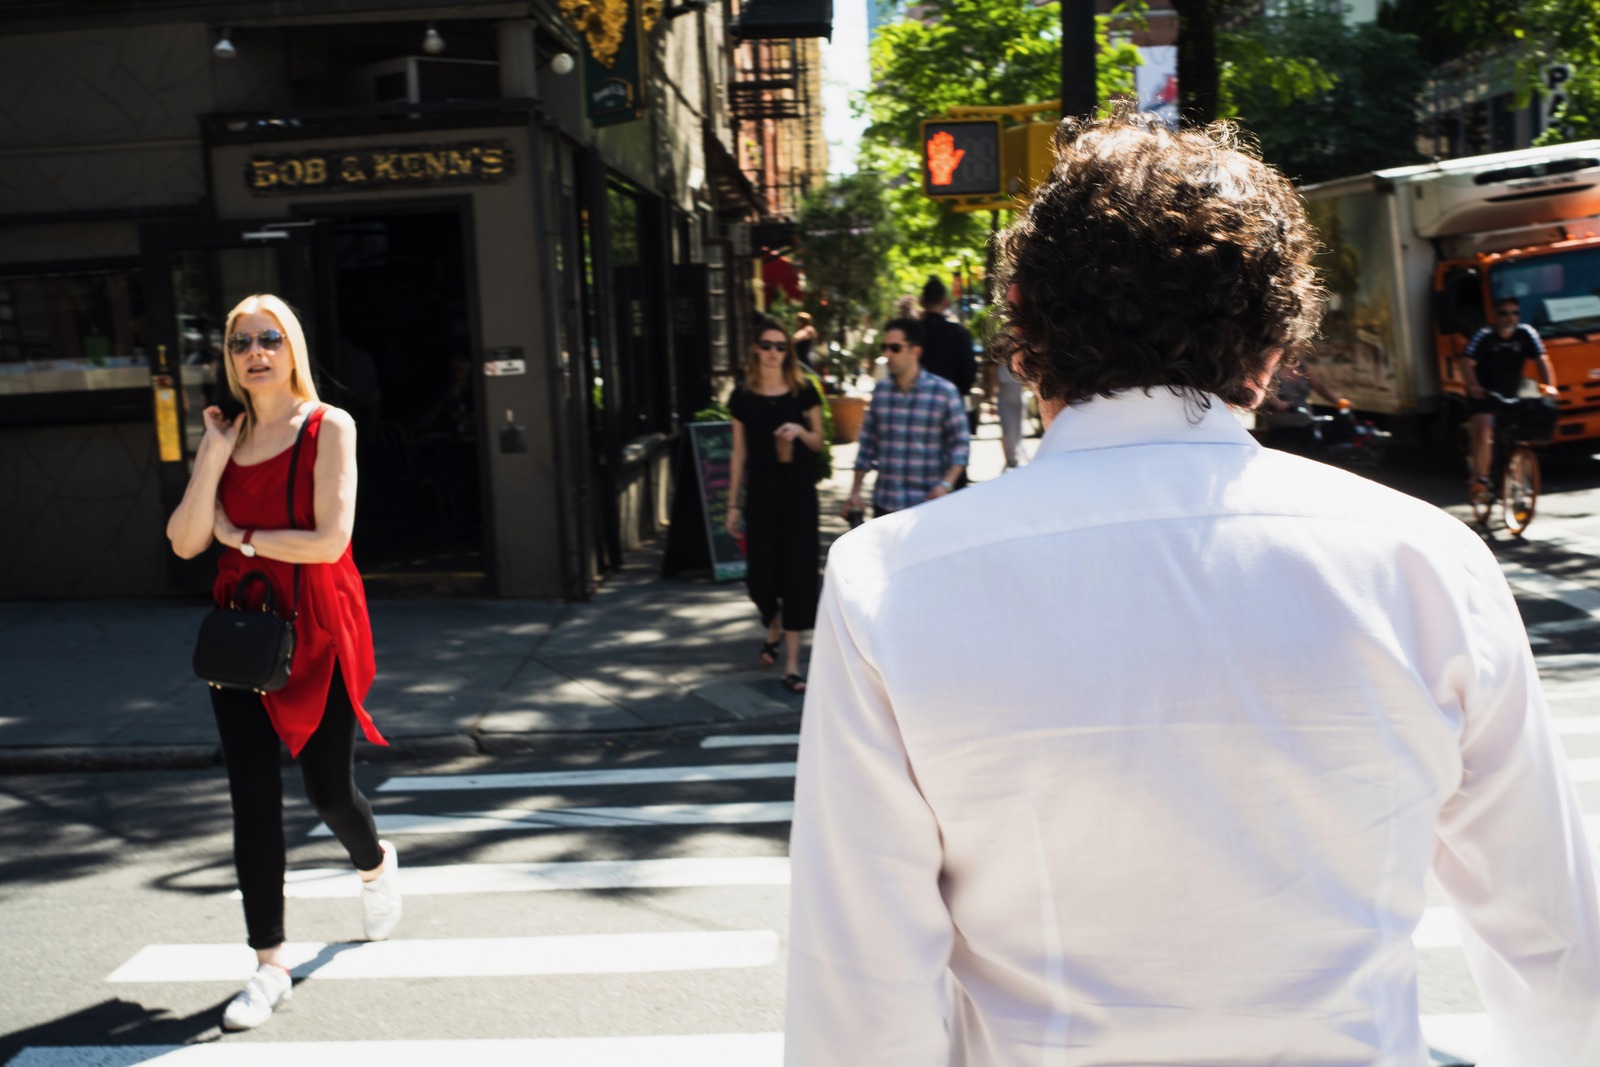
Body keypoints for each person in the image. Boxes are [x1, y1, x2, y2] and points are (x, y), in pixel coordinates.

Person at [787, 109, 1600, 1065]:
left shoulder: (893, 578)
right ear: (1272, 344)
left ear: (1026, 330)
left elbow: (860, 991)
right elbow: (1555, 948)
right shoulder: (1425, 561)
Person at [166, 293, 400, 1033]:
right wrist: (209, 457)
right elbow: (182, 539)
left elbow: (330, 541)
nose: (256, 352)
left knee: (330, 792)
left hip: (318, 631)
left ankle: (374, 861)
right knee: (252, 801)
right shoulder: (225, 436)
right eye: (241, 343)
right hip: (242, 638)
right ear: (229, 359)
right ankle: (269, 963)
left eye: (270, 338)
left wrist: (239, 538)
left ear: (292, 348)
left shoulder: (331, 427)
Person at [724, 318, 825, 694]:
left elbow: (818, 442)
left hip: (798, 489)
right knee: (759, 577)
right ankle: (773, 624)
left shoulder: (804, 390)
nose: (773, 353)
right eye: (767, 345)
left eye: (781, 347)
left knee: (797, 573)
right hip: (762, 489)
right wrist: (733, 505)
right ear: (755, 348)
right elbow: (738, 454)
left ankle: (793, 665)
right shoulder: (742, 396)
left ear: (789, 351)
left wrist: (800, 431)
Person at [843, 317, 969, 519]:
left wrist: (946, 485)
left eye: (895, 348)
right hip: (885, 504)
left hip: (928, 506)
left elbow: (961, 444)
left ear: (915, 351)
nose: (887, 354)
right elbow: (866, 446)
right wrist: (855, 492)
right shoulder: (881, 392)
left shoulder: (944, 392)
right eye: (884, 347)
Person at [1462, 296, 1557, 497]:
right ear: (1495, 316)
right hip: (1485, 396)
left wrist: (1549, 386)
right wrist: (1474, 386)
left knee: (1522, 435)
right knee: (1484, 428)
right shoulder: (1484, 336)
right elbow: (1466, 361)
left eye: (1514, 313)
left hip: (1512, 395)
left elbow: (1542, 360)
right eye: (1504, 313)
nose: (1509, 318)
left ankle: (1520, 489)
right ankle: (1482, 479)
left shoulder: (1526, 333)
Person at [918, 275, 979, 438]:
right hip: (952, 406)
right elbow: (969, 373)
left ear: (921, 301)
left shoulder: (912, 333)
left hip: (917, 407)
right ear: (946, 302)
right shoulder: (959, 333)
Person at [1257, 359, 1341, 454]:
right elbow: (1265, 390)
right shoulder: (1273, 365)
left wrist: (1339, 402)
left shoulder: (1302, 365)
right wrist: (1277, 403)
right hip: (1281, 423)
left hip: (1304, 419)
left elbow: (1319, 386)